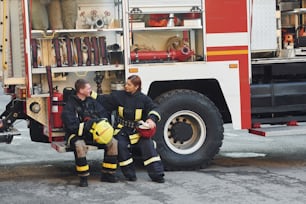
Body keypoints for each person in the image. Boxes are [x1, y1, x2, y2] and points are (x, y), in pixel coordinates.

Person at [92, 75, 165, 183]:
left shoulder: (144, 99)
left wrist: (151, 119)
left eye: (129, 85)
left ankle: (157, 175)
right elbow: (103, 99)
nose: (126, 86)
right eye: (126, 84)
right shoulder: (119, 96)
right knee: (120, 146)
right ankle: (130, 175)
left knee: (148, 147)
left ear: (136, 87)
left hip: (138, 131)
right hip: (122, 130)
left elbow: (154, 108)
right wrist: (90, 94)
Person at [61, 79, 118, 187]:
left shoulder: (92, 101)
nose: (90, 90)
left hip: (94, 134)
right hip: (76, 135)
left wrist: (100, 123)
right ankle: (83, 177)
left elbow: (104, 114)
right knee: (79, 145)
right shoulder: (70, 106)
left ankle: (108, 174)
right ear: (81, 90)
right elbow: (71, 126)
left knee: (113, 142)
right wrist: (88, 125)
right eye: (88, 88)